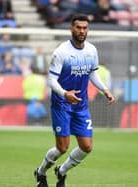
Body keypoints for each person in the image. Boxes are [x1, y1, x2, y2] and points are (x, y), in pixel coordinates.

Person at [34, 14, 115, 187]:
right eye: (78, 27)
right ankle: (40, 172)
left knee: (87, 147)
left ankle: (61, 171)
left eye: (85, 28)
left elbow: (92, 73)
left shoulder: (91, 50)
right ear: (71, 28)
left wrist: (105, 90)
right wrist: (65, 94)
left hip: (81, 105)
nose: (82, 31)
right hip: (62, 104)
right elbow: (51, 80)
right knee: (62, 148)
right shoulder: (61, 52)